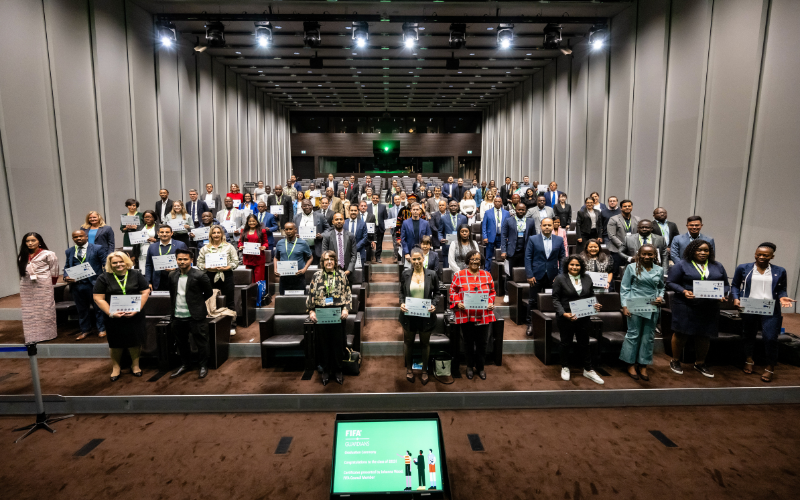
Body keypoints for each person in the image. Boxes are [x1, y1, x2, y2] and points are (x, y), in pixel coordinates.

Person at [731, 242, 796, 382]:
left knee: (771, 337)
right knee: (748, 334)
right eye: (758, 254)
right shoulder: (743, 268)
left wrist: (783, 297)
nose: (761, 257)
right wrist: (736, 299)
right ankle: (749, 359)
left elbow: (781, 289)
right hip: (749, 306)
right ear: (755, 254)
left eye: (765, 255)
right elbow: (735, 285)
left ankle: (770, 366)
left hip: (769, 307)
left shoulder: (780, 270)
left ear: (772, 256)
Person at [666, 239, 729, 378]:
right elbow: (670, 282)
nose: (702, 253)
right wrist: (683, 291)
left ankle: (700, 363)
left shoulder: (717, 266)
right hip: (686, 304)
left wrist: (722, 294)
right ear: (692, 250)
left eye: (706, 250)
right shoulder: (682, 265)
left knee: (704, 334)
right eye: (699, 250)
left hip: (709, 305)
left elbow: (725, 285)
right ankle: (675, 361)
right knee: (681, 333)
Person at [92, 251, 151, 381]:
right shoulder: (103, 277)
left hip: (135, 314)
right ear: (110, 264)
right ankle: (116, 367)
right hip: (113, 316)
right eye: (115, 262)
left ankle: (135, 366)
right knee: (115, 343)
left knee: (135, 341)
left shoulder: (136, 274)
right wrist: (111, 313)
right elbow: (98, 298)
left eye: (121, 261)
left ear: (126, 262)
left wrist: (137, 309)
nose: (119, 264)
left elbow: (145, 291)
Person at [552, 255, 605, 383]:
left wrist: (595, 304)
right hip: (566, 317)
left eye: (577, 265)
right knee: (566, 342)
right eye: (572, 264)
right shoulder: (560, 279)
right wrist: (563, 313)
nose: (574, 267)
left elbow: (591, 295)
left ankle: (588, 369)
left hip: (584, 316)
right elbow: (555, 299)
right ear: (567, 265)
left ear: (581, 266)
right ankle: (565, 366)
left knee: (584, 343)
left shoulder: (587, 278)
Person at [620, 245, 665, 381]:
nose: (646, 257)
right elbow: (624, 288)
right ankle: (630, 363)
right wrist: (624, 306)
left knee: (648, 336)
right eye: (644, 254)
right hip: (635, 304)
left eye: (650, 254)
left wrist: (660, 297)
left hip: (652, 306)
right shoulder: (631, 267)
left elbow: (661, 287)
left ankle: (643, 364)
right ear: (639, 254)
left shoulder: (660, 269)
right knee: (633, 334)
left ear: (654, 255)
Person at [449, 249, 496, 380]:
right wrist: (457, 303)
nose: (475, 262)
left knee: (482, 343)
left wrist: (490, 302)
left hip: (483, 314)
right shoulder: (459, 275)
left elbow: (492, 292)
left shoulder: (487, 275)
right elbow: (452, 291)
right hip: (466, 314)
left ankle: (480, 367)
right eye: (472, 259)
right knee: (468, 342)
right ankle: (469, 366)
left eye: (478, 260)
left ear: (481, 262)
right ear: (468, 261)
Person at [307, 250, 352, 386]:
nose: (329, 262)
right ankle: (325, 370)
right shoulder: (316, 276)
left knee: (338, 344)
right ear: (322, 262)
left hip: (338, 315)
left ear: (335, 261)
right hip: (321, 315)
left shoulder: (342, 275)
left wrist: (346, 309)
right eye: (326, 259)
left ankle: (338, 370)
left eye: (331, 259)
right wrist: (311, 311)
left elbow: (348, 294)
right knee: (323, 344)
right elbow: (311, 295)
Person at [168, 249, 213, 379]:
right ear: (176, 260)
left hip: (196, 315)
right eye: (179, 259)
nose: (182, 262)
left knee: (201, 343)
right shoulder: (172, 275)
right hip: (178, 315)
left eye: (185, 259)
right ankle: (185, 365)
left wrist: (196, 303)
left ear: (191, 260)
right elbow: (173, 294)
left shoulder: (200, 275)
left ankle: (203, 366)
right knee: (181, 343)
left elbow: (209, 293)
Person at [400, 247, 440, 384]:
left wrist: (434, 304)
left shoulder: (432, 274)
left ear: (423, 259)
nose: (416, 261)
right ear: (410, 259)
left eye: (419, 259)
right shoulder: (405, 274)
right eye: (414, 259)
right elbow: (401, 292)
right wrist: (401, 303)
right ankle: (409, 369)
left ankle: (424, 370)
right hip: (408, 315)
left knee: (425, 343)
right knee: (408, 343)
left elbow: (438, 293)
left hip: (426, 315)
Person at [64, 230, 108, 341]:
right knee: (82, 310)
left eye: (80, 236)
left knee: (98, 308)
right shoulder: (69, 251)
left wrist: (104, 279)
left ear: (86, 237)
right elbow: (66, 266)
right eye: (75, 237)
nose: (78, 238)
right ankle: (85, 330)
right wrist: (65, 276)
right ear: (73, 239)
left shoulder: (97, 248)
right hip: (77, 285)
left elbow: (105, 264)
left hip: (93, 283)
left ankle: (101, 329)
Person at [524, 218, 565, 336]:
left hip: (553, 276)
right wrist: (529, 274)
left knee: (552, 300)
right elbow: (528, 258)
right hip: (536, 275)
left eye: (549, 225)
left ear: (553, 226)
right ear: (541, 226)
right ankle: (530, 324)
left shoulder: (559, 240)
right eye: (545, 225)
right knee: (533, 301)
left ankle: (551, 325)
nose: (547, 227)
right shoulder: (533, 239)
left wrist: (560, 275)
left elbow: (562, 258)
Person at [197, 225, 239, 334]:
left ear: (222, 234)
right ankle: (211, 325)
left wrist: (226, 267)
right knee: (210, 301)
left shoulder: (229, 247)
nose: (216, 235)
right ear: (211, 235)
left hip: (226, 276)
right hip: (210, 277)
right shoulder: (205, 248)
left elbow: (235, 262)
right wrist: (207, 267)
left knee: (229, 301)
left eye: (218, 232)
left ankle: (231, 326)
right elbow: (199, 263)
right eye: (214, 233)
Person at [17, 232, 59, 344]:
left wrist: (52, 283)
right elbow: (22, 272)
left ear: (39, 242)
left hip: (43, 285)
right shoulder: (23, 255)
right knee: (29, 311)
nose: (30, 243)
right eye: (27, 241)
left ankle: (48, 334)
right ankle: (31, 335)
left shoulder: (48, 254)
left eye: (33, 240)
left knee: (45, 309)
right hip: (26, 285)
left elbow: (54, 270)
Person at [501, 202, 537, 303]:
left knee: (524, 273)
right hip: (511, 252)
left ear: (525, 210)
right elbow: (504, 237)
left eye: (523, 210)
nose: (521, 211)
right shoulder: (508, 220)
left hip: (526, 252)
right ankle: (507, 293)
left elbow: (533, 236)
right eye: (519, 209)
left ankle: (522, 294)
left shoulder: (530, 221)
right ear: (515, 210)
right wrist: (503, 251)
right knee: (509, 274)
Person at [144, 225, 188, 291]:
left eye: (167, 232)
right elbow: (148, 265)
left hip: (176, 279)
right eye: (162, 232)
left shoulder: (180, 245)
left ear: (171, 233)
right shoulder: (152, 247)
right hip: (157, 281)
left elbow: (187, 263)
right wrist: (148, 282)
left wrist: (176, 269)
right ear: (158, 233)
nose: (164, 234)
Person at [274, 222, 313, 295]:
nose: (288, 231)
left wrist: (304, 269)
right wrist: (275, 269)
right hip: (284, 277)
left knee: (299, 300)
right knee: (284, 299)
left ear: (295, 230)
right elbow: (276, 258)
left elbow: (310, 257)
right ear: (284, 231)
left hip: (298, 276)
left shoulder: (303, 243)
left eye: (291, 229)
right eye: (286, 229)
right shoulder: (280, 243)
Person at [606, 199, 638, 274]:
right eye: (625, 206)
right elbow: (612, 235)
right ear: (621, 208)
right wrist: (624, 246)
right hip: (617, 250)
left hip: (632, 250)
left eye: (629, 206)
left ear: (632, 207)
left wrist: (631, 246)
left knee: (631, 272)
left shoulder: (637, 219)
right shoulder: (613, 219)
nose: (627, 207)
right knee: (616, 272)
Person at [321, 213, 358, 278]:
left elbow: (354, 255)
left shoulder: (350, 236)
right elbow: (324, 254)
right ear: (333, 222)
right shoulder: (327, 236)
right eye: (336, 219)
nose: (339, 221)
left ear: (344, 221)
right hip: (332, 270)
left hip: (347, 271)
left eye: (341, 219)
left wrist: (349, 270)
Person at [296, 199, 330, 265]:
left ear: (312, 206)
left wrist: (322, 235)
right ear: (301, 207)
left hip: (316, 248)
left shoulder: (320, 216)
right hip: (301, 249)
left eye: (309, 205)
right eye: (304, 206)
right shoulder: (296, 217)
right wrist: (295, 235)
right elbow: (293, 230)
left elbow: (328, 229)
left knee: (316, 270)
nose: (307, 207)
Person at [481, 196, 509, 271]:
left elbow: (509, 226)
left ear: (501, 202)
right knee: (489, 256)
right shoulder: (487, 212)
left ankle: (500, 273)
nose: (497, 203)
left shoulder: (506, 213)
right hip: (490, 237)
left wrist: (507, 237)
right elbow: (484, 226)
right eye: (496, 201)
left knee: (501, 256)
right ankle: (487, 272)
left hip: (502, 238)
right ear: (494, 203)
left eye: (499, 201)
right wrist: (485, 237)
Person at [238, 214, 269, 283]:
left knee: (259, 279)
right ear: (247, 222)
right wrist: (240, 246)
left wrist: (264, 246)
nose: (252, 223)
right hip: (248, 258)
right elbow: (240, 241)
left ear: (257, 222)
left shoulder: (262, 231)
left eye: (253, 221)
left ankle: (259, 293)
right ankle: (251, 293)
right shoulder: (243, 231)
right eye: (250, 221)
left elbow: (265, 242)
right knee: (250, 280)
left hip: (259, 258)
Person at [439, 200, 468, 269]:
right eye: (451, 206)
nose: (453, 207)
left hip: (460, 246)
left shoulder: (463, 218)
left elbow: (466, 231)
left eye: (455, 206)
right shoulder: (443, 218)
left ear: (458, 207)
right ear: (448, 207)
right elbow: (439, 231)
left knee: (459, 267)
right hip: (447, 246)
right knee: (447, 269)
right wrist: (440, 238)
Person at [120, 199, 145, 264]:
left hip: (138, 236)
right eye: (130, 205)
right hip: (127, 237)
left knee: (139, 253)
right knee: (129, 254)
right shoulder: (124, 216)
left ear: (136, 206)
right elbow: (122, 229)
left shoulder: (141, 215)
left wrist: (138, 227)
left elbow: (145, 226)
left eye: (134, 205)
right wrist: (126, 227)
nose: (132, 207)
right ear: (127, 206)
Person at [368, 193, 388, 262]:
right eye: (374, 198)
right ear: (371, 198)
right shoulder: (368, 206)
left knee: (379, 244)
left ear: (379, 199)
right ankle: (369, 256)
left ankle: (378, 257)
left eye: (377, 198)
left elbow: (385, 217)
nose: (375, 199)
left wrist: (385, 227)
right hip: (370, 228)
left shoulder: (383, 207)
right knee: (369, 243)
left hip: (380, 227)